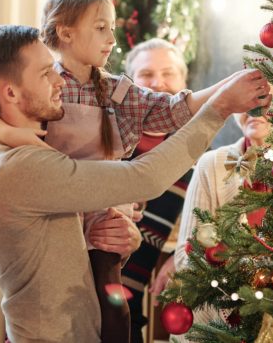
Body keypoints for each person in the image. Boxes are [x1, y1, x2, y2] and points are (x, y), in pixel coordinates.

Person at [0, 0, 246, 343]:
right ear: (65, 33)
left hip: (96, 208)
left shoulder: (111, 91)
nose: (111, 39)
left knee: (114, 304)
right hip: (63, 231)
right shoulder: (21, 155)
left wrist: (227, 88)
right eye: (101, 28)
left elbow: (170, 109)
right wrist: (221, 106)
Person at [168, 111, 273, 342]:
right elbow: (186, 257)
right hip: (217, 321)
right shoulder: (213, 163)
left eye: (266, 99)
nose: (255, 110)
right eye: (249, 101)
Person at [118, 38, 195, 343]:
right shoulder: (107, 140)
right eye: (146, 74)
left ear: (184, 84)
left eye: (168, 73)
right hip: (92, 302)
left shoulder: (198, 153)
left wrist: (182, 254)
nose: (158, 84)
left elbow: (218, 218)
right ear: (129, 83)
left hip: (146, 311)